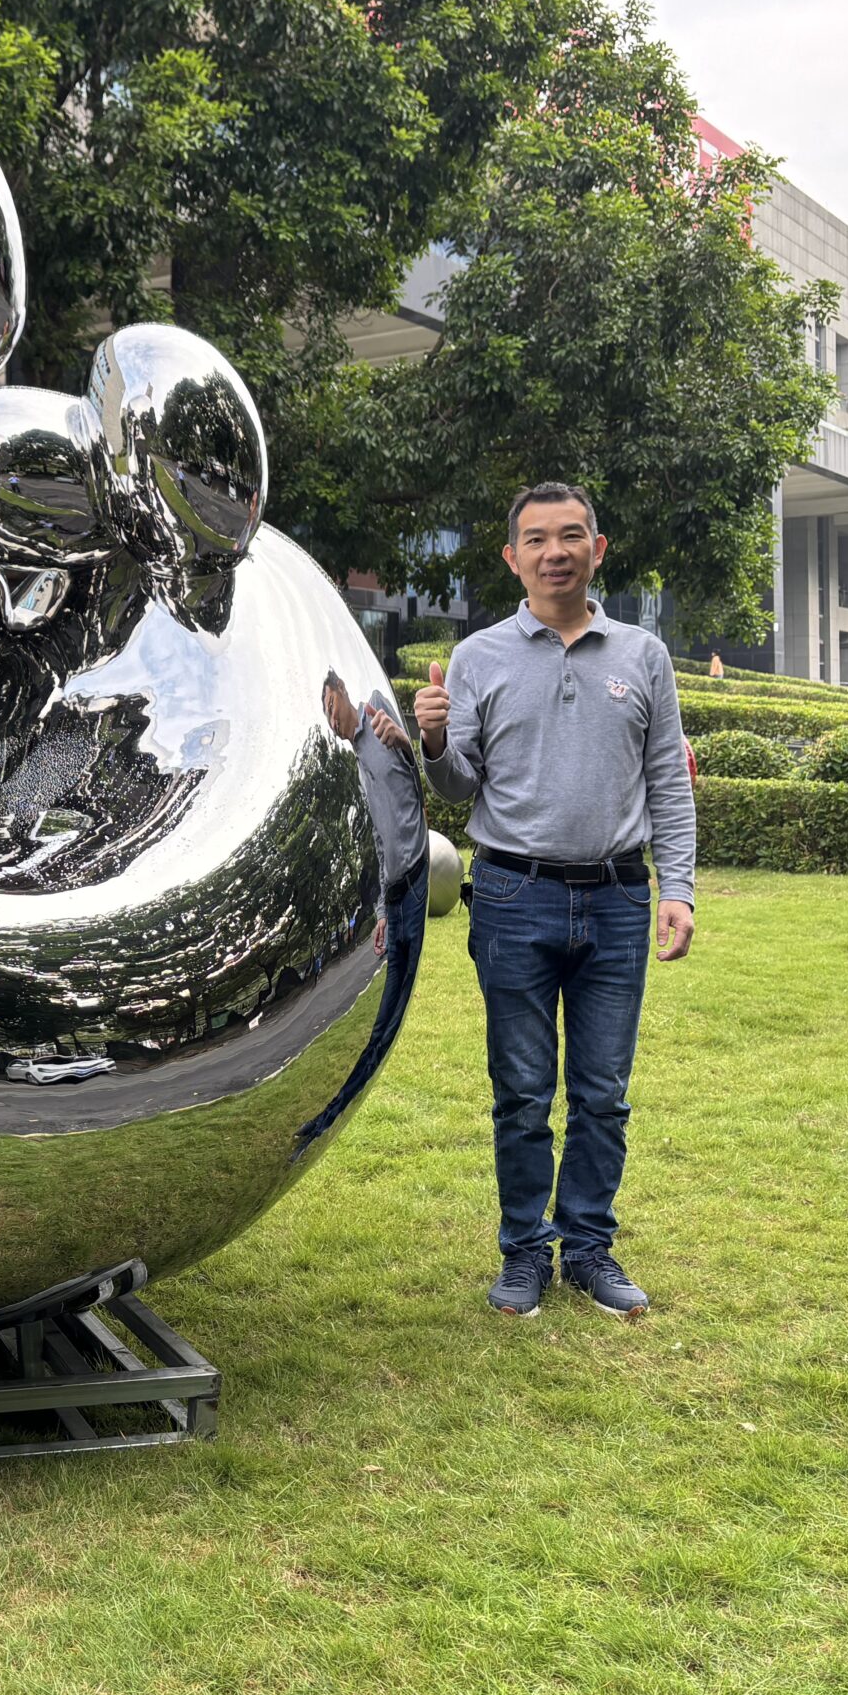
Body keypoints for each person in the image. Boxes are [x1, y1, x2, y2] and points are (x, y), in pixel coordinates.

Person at [413, 482, 695, 1320]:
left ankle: (591, 1250)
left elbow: (668, 788)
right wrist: (432, 739)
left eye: (571, 536)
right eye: (536, 540)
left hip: (616, 900)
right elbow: (460, 786)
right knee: (524, 1090)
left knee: (603, 1091)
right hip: (510, 894)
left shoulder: (643, 656)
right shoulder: (479, 658)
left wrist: (677, 887)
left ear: (598, 549)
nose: (554, 552)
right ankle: (525, 1252)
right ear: (512, 557)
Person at [296, 672, 432, 1155]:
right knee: (382, 1023)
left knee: (388, 1024)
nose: (331, 720)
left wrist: (409, 746)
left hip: (416, 886)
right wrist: (378, 909)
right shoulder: (358, 760)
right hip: (394, 897)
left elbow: (421, 781)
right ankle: (327, 1116)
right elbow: (379, 838)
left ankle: (328, 1118)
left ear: (343, 695)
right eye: (326, 715)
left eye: (332, 706)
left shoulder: (376, 710)